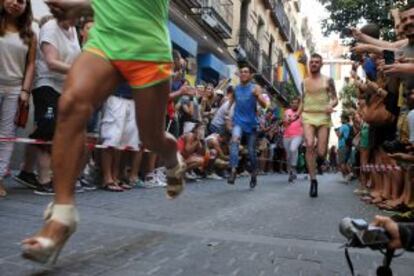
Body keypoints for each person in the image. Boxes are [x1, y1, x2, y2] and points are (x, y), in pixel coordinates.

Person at [22, 0, 186, 265]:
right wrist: (87, 7)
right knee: (72, 103)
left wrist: (83, 6)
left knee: (151, 137)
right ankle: (62, 217)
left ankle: (171, 159)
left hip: (147, 46)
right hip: (105, 39)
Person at [0, 0, 36, 197]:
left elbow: (31, 65)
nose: (15, 3)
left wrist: (25, 90)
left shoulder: (29, 34)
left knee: (6, 135)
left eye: (21, 1)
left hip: (15, 89)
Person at [300, 53, 338, 197]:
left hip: (323, 116)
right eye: (312, 62)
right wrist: (298, 114)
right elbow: (302, 100)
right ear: (310, 64)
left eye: (317, 62)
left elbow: (335, 99)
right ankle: (313, 181)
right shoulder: (303, 82)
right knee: (309, 144)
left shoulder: (328, 80)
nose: (314, 64)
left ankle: (317, 162)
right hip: (308, 115)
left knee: (321, 152)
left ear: (321, 65)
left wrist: (330, 105)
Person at [227, 65, 268, 187]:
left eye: (246, 72)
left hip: (251, 125)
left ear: (250, 75)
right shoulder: (236, 89)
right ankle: (233, 170)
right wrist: (228, 114)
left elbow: (264, 105)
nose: (243, 73)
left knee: (251, 152)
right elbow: (231, 102)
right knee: (234, 141)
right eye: (242, 72)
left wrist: (257, 96)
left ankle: (254, 173)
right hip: (238, 122)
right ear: (239, 75)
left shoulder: (255, 88)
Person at [283, 97, 304, 183]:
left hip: (298, 135)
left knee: (293, 149)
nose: (294, 104)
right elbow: (284, 122)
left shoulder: (301, 113)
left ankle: (293, 167)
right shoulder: (287, 111)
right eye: (293, 103)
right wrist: (286, 120)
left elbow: (305, 124)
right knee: (288, 155)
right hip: (286, 136)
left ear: (299, 104)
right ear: (290, 104)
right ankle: (291, 172)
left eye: (296, 103)